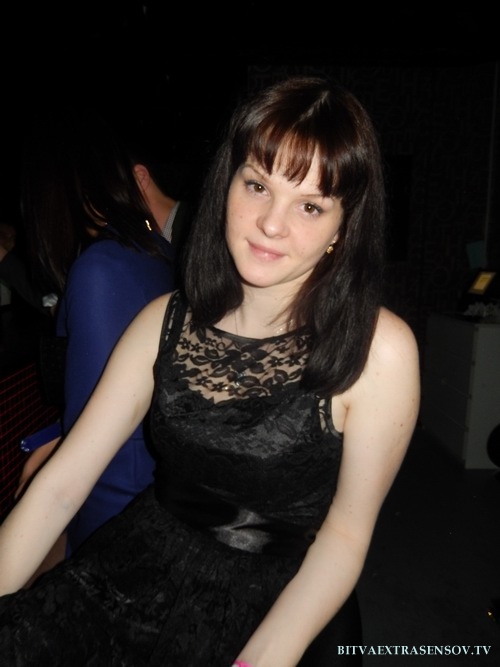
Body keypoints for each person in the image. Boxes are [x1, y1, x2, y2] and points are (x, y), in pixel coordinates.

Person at [0, 76, 420, 666]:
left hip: (274, 607)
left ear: (343, 227)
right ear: (228, 183)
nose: (271, 223)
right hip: (134, 570)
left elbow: (346, 537)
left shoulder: (380, 351)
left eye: (309, 205)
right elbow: (61, 486)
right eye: (257, 185)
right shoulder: (162, 321)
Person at [14, 104, 177, 574]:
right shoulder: (156, 251)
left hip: (118, 531)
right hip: (154, 505)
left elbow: (110, 465)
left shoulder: (101, 268)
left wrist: (84, 564)